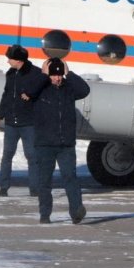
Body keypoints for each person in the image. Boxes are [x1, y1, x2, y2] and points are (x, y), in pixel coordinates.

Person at [30, 57, 90, 224]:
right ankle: (45, 214)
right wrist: (43, 75)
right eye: (53, 75)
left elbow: (84, 90)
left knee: (70, 177)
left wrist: (69, 73)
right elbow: (29, 91)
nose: (57, 78)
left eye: (59, 75)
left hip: (66, 145)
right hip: (44, 144)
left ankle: (76, 212)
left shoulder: (68, 89)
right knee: (45, 181)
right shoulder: (40, 89)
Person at [0, 44, 45, 197]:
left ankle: (35, 189)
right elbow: (6, 96)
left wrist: (30, 93)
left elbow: (45, 81)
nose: (8, 61)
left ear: (19, 60)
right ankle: (4, 187)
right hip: (11, 122)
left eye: (10, 59)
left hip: (29, 123)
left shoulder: (35, 73)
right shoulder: (10, 74)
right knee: (7, 155)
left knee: (32, 156)